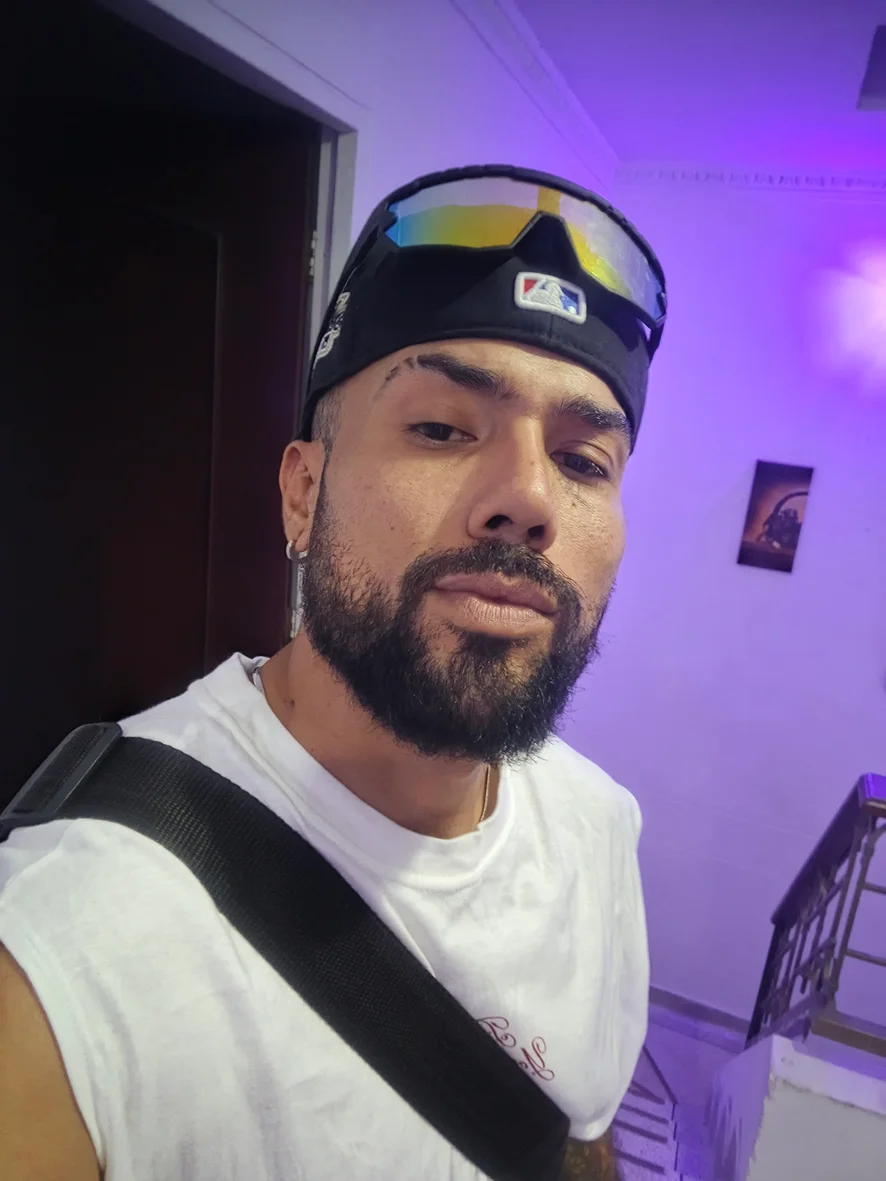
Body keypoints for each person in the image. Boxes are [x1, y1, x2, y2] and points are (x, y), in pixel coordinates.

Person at [0, 164, 667, 1180]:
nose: (529, 497)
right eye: (441, 428)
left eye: (583, 461)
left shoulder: (597, 825)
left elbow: (575, 1132)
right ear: (303, 494)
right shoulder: (63, 956)